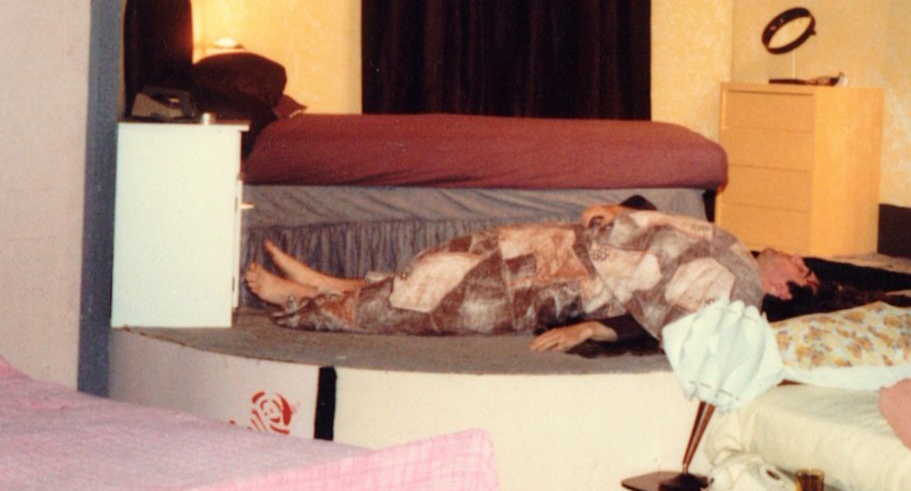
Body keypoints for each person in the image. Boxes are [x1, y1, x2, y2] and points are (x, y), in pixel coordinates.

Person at [244, 198, 818, 353]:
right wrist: (622, 211)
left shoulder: (740, 289)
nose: (797, 258)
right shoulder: (733, 247)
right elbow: (660, 226)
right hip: (566, 245)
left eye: (802, 271)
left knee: (437, 301)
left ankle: (307, 299)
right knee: (442, 264)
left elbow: (676, 324)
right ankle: (327, 283)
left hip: (567, 285)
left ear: (783, 290)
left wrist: (593, 330)